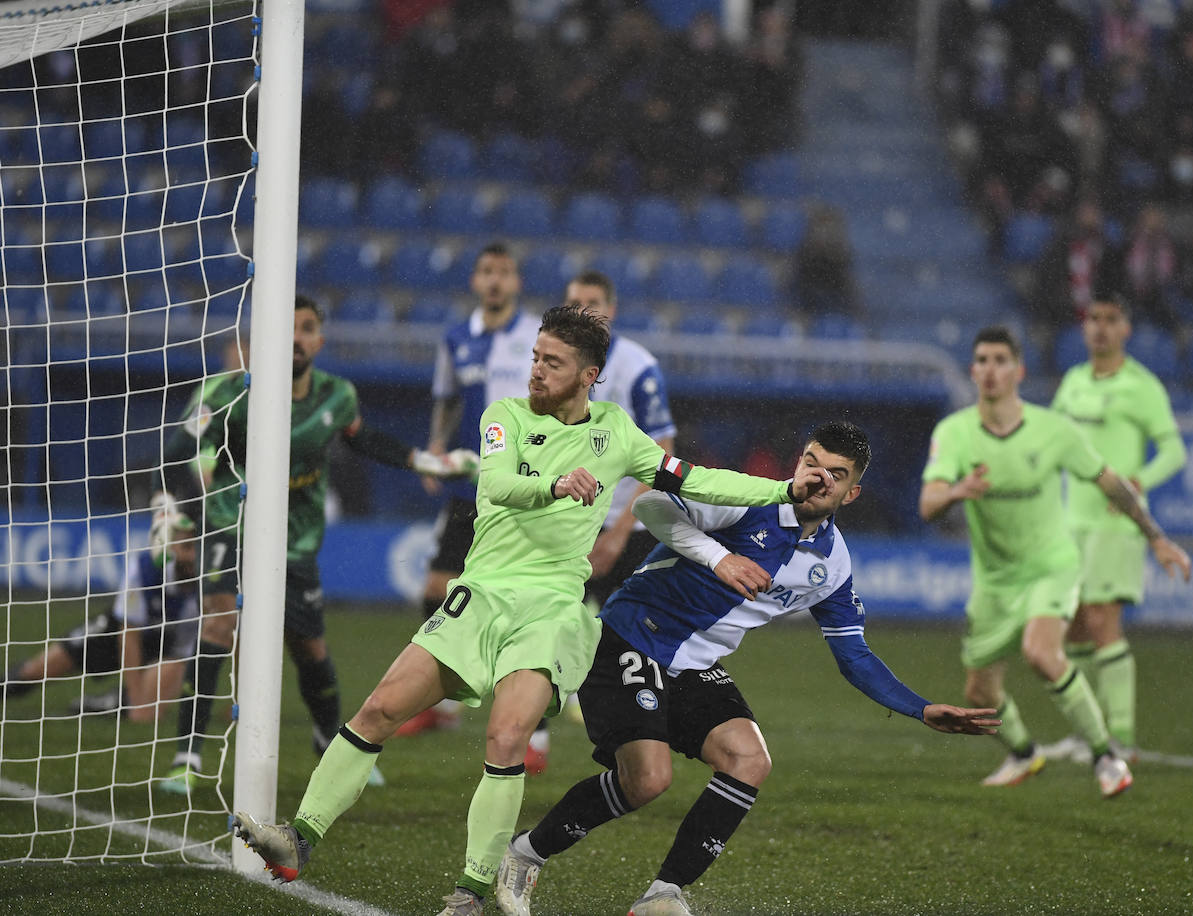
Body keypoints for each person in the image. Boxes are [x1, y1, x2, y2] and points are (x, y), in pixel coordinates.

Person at [230, 305, 835, 916]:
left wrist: (781, 491)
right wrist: (555, 485)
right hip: (481, 593)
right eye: (536, 357)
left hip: (548, 610)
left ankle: (468, 894)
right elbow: (496, 484)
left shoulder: (616, 433)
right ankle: (299, 839)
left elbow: (694, 478)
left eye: (554, 362)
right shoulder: (507, 416)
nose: (537, 372)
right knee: (380, 708)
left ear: (589, 375)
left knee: (506, 735)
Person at [491, 421, 1000, 916]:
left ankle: (662, 896)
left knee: (748, 759)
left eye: (836, 474)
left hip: (694, 665)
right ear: (798, 463)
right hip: (631, 635)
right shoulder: (749, 499)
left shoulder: (833, 565)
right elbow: (651, 505)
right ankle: (525, 855)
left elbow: (855, 655)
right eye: (811, 462)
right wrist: (719, 559)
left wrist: (922, 708)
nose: (819, 478)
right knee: (647, 780)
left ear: (852, 494)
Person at [155, 295, 472, 794]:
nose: (296, 338)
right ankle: (186, 758)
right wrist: (176, 516)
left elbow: (363, 439)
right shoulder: (222, 394)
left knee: (309, 647)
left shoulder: (336, 396)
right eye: (287, 327)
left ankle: (331, 744)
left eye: (306, 329)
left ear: (319, 342)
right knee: (218, 624)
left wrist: (427, 462)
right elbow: (178, 455)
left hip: (294, 540)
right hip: (227, 523)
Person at [919, 325, 1191, 798]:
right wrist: (957, 492)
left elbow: (1111, 482)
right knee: (978, 695)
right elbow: (927, 503)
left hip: (1052, 565)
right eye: (981, 360)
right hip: (995, 581)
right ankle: (1025, 753)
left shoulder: (1053, 430)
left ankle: (1107, 756)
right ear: (972, 370)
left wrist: (1156, 538)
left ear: (1018, 371)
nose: (990, 369)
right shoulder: (955, 432)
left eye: (1001, 360)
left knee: (1042, 653)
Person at [520, 269, 677, 775]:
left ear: (612, 307)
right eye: (574, 303)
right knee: (542, 628)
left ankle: (632, 738)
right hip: (562, 516)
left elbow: (663, 454)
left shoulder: (638, 367)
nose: (584, 312)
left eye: (593, 303)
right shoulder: (553, 363)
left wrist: (617, 532)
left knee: (626, 637)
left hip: (621, 526)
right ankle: (531, 739)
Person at [399, 241, 543, 737]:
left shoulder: (533, 340)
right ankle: (441, 700)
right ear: (475, 282)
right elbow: (448, 400)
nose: (496, 280)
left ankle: (529, 713)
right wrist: (437, 449)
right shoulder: (457, 339)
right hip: (469, 490)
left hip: (519, 490)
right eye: (488, 271)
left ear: (517, 282)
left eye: (505, 271)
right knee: (437, 589)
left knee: (520, 600)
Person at [1044, 296, 1186, 763]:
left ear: (1126, 328)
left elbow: (1173, 451)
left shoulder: (1141, 386)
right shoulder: (1073, 381)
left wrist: (1139, 481)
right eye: (1093, 320)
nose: (1101, 328)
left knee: (1104, 621)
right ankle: (1088, 734)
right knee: (1076, 629)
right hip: (1072, 522)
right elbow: (1056, 440)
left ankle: (1121, 739)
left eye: (1111, 320)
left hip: (1116, 522)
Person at [3, 506, 200, 723]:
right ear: (167, 549)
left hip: (161, 647)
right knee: (35, 671)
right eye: (187, 547)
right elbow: (129, 636)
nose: (194, 555)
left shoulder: (202, 585)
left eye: (195, 547)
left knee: (157, 696)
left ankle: (103, 703)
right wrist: (137, 700)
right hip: (113, 632)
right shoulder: (143, 570)